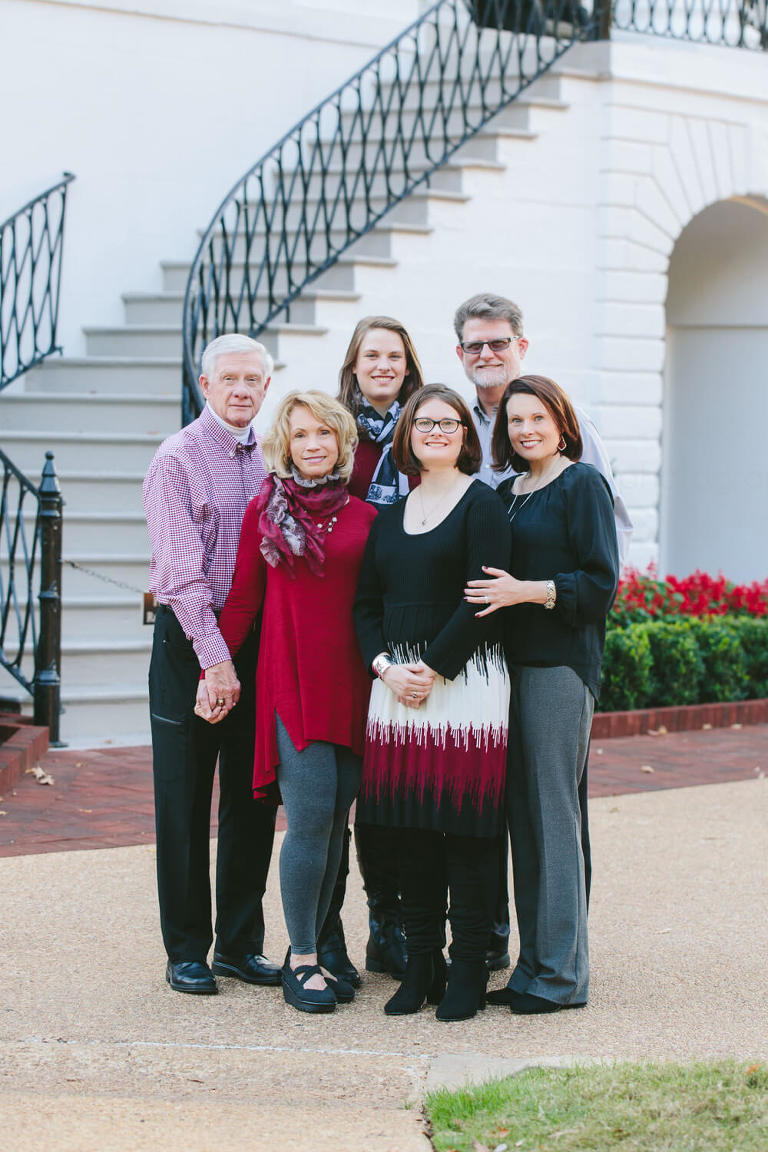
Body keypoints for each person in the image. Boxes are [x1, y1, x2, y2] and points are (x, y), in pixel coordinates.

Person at [454, 290, 632, 969]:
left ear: (562, 424)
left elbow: (599, 585)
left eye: (538, 417)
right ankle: (532, 963)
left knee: (554, 817)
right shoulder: (506, 494)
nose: (526, 428)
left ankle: (561, 971)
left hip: (560, 666)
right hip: (510, 668)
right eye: (517, 420)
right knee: (522, 820)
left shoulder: (581, 484)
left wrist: (528, 591)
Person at [198, 391, 377, 1014]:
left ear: (341, 442)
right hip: (292, 683)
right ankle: (301, 958)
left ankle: (325, 949)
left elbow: (376, 607)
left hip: (355, 685)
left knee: (336, 822)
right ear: (286, 443)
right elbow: (244, 600)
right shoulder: (265, 511)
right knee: (307, 817)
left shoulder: (366, 518)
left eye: (323, 434)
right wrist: (213, 665)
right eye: (301, 434)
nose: (312, 445)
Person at [355, 385, 510, 1022]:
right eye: (425, 422)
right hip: (396, 690)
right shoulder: (389, 517)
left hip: (466, 684)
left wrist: (435, 666)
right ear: (408, 436)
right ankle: (422, 963)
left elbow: (483, 597)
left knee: (467, 827)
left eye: (449, 422)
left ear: (465, 436)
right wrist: (388, 669)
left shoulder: (484, 506)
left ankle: (470, 963)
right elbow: (365, 606)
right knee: (407, 826)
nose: (437, 431)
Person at [143, 333, 280, 995]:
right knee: (185, 798)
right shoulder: (177, 458)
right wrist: (215, 663)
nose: (241, 390)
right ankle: (188, 949)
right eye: (229, 379)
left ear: (267, 386)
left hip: (253, 644)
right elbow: (180, 577)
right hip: (189, 646)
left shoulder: (271, 459)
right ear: (205, 385)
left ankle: (239, 944)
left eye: (253, 379)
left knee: (254, 799)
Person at [316, 316, 425, 987]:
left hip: (405, 619)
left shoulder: (427, 429)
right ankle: (326, 935)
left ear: (408, 365)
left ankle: (389, 927)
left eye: (394, 355)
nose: (383, 364)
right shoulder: (335, 433)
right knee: (333, 790)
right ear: (353, 364)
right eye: (370, 354)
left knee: (388, 789)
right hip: (339, 621)